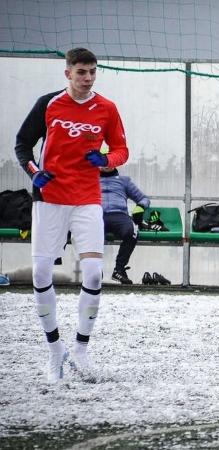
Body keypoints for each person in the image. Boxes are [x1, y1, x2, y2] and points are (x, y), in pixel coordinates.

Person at [14, 48, 129, 382]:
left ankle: (80, 350)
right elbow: (22, 144)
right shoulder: (48, 104)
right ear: (68, 73)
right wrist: (34, 171)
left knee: (93, 274)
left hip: (87, 199)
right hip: (49, 199)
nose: (88, 77)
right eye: (81, 72)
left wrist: (107, 160)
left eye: (92, 71)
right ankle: (55, 352)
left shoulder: (106, 108)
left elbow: (122, 149)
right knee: (40, 274)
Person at [100, 164, 150, 284]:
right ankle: (94, 270)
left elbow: (144, 198)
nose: (106, 164)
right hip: (97, 215)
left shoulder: (124, 181)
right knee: (89, 234)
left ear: (114, 163)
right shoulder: (90, 180)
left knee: (132, 232)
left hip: (119, 215)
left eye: (109, 160)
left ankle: (119, 270)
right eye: (102, 160)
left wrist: (141, 206)